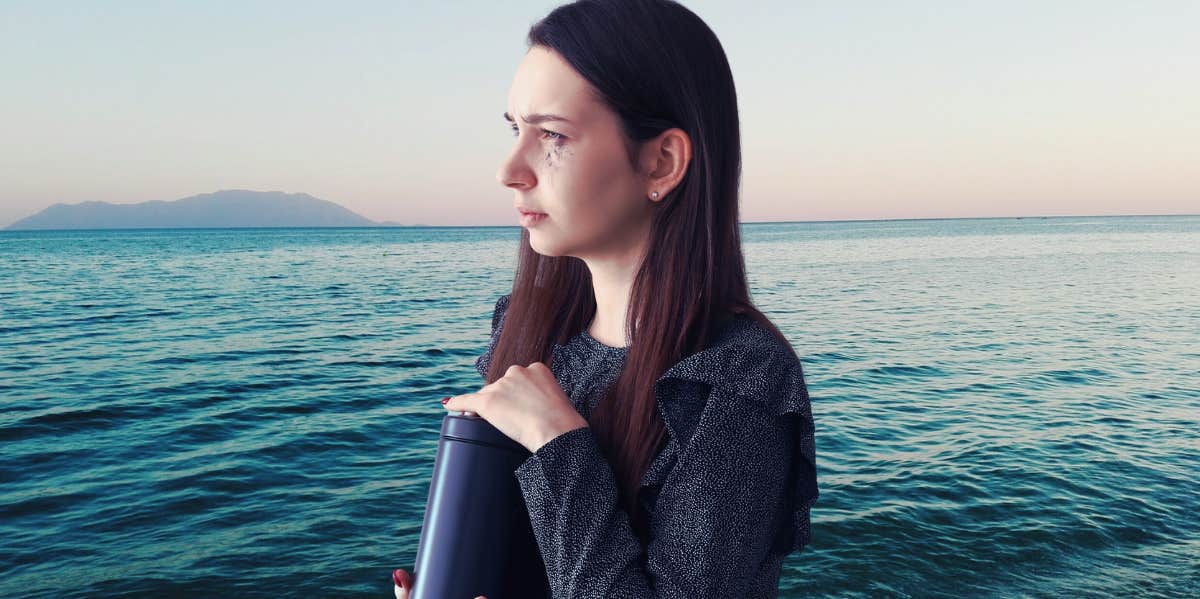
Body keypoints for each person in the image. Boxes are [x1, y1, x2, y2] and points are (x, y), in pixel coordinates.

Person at [394, 0, 818, 597]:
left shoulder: (732, 382)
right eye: (515, 130)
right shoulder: (523, 327)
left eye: (553, 136)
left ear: (661, 161)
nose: (509, 169)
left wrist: (558, 444)